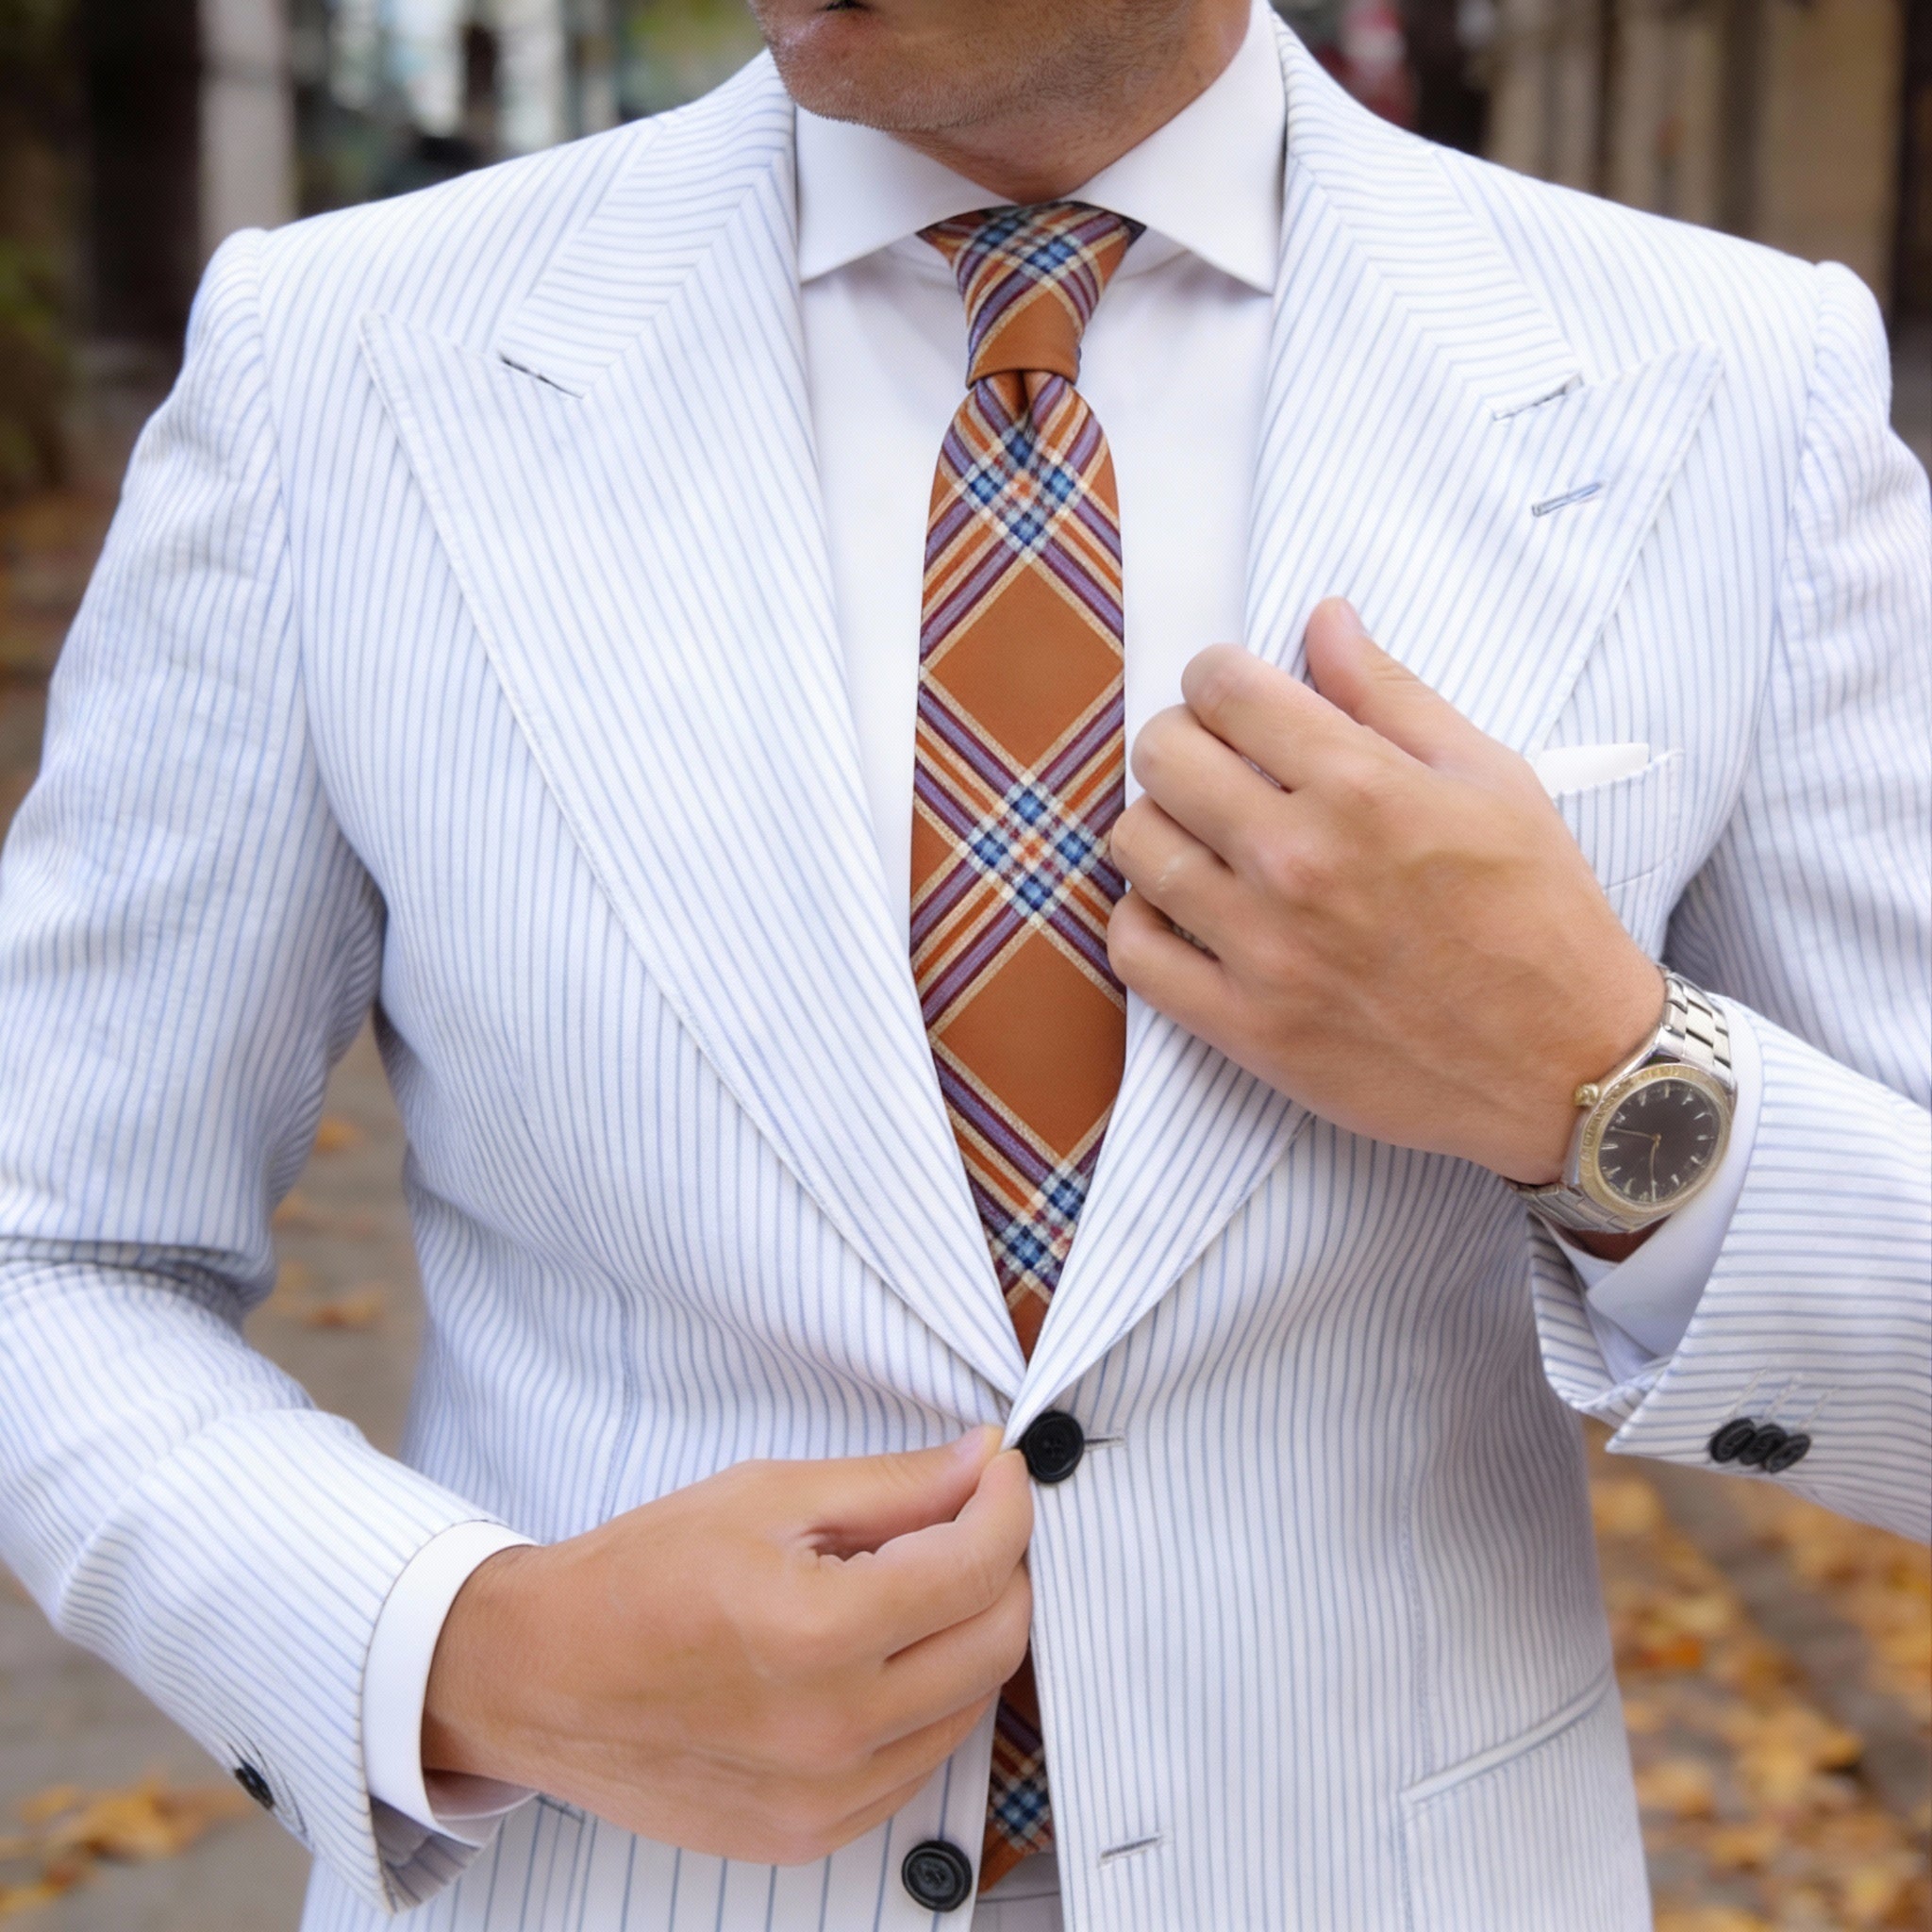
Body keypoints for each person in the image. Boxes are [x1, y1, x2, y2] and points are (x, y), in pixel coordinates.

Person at [0, 0, 1925, 1926]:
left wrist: (1599, 1083)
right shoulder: (335, 364)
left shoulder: (1732, 388)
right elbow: (52, 1245)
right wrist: (465, 1652)